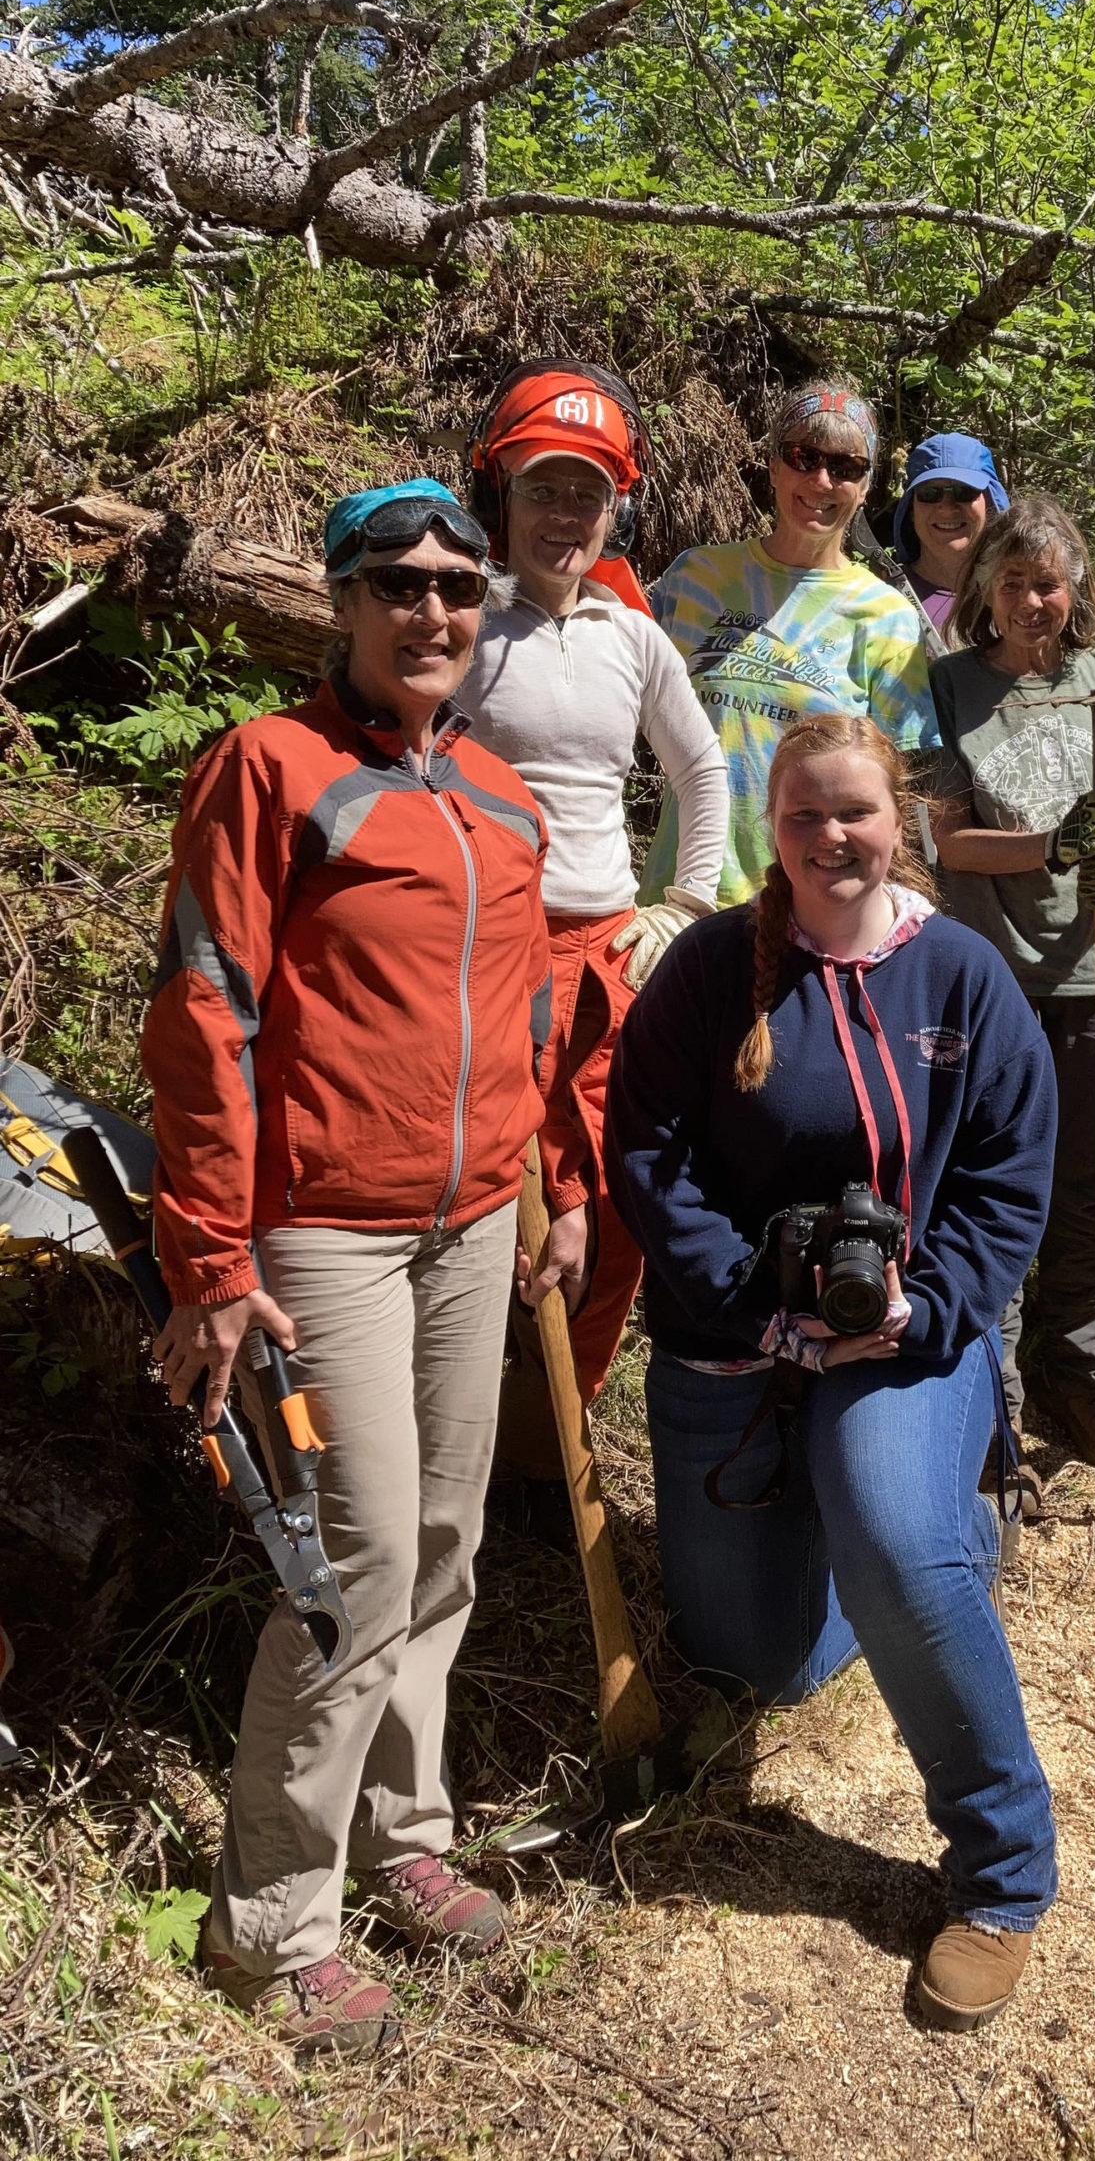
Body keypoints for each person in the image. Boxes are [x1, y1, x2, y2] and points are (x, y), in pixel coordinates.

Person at [141, 479, 555, 2057]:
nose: (434, 609)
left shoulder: (504, 801)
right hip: (321, 1231)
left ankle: (405, 1830)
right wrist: (210, 1252)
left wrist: (544, 1189)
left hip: (468, 1228)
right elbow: (203, 1011)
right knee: (350, 1568)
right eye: (401, 584)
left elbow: (526, 1016)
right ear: (344, 601)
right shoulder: (273, 766)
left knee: (443, 1538)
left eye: (458, 585)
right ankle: (273, 1919)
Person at [606, 715, 1059, 2033]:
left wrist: (929, 1310)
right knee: (753, 1660)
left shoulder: (960, 974)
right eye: (801, 817)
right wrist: (755, 1301)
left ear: (898, 817)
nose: (829, 837)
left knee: (893, 1527)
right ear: (774, 832)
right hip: (734, 1331)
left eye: (851, 811)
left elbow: (1008, 1171)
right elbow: (647, 1148)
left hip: (910, 1332)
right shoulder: (708, 970)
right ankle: (891, 1553)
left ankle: (1002, 1872)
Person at [456, 362, 728, 1494]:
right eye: (544, 489)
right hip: (479, 953)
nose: (566, 515)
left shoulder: (632, 634)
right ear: (501, 493)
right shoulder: (460, 617)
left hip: (609, 950)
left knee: (611, 1193)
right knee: (493, 1191)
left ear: (615, 505)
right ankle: (470, 1422)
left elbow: (701, 769)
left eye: (588, 494)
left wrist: (687, 905)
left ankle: (560, 1422)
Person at [927, 495, 1095, 1476]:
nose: (1031, 600)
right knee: (992, 1173)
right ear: (986, 587)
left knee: (1094, 1179)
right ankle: (986, 1396)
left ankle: (1080, 1378)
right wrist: (1056, 842)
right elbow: (946, 841)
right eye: (1014, 581)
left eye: (1049, 583)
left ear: (1077, 590)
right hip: (992, 969)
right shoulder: (946, 686)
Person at [639, 376, 939, 907]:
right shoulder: (695, 578)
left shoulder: (888, 617)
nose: (821, 480)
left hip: (816, 902)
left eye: (846, 467)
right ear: (774, 467)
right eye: (803, 456)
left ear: (866, 487)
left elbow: (897, 790)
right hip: (681, 892)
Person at [887, 430, 1009, 654]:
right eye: (929, 493)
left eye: (964, 492)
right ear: (911, 509)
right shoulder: (880, 598)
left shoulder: (1019, 597)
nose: (946, 507)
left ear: (990, 504)